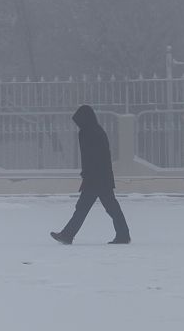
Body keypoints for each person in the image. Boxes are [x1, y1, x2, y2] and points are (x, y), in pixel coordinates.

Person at [51, 104, 131, 245]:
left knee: (85, 207)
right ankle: (123, 235)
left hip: (96, 178)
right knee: (108, 207)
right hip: (101, 177)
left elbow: (91, 157)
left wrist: (87, 174)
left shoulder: (89, 133)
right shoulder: (96, 131)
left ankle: (67, 235)